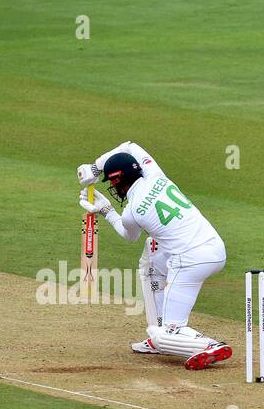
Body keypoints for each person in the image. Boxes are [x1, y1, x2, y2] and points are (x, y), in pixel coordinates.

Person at [76, 142, 232, 369]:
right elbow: (129, 145)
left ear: (119, 182)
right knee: (151, 255)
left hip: (190, 262)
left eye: (111, 182)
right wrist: (96, 166)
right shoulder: (154, 173)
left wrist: (107, 210)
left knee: (165, 334)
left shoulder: (132, 211)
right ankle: (158, 335)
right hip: (215, 248)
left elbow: (128, 235)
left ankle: (208, 345)